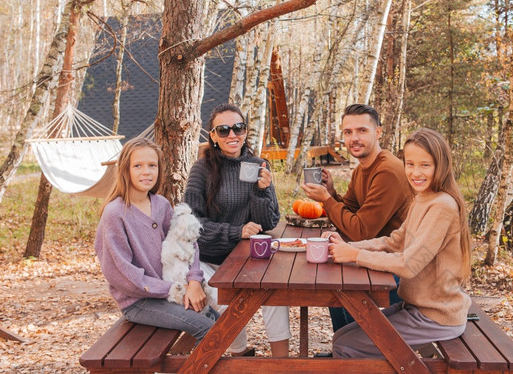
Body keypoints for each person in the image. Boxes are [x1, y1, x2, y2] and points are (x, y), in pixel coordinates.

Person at [325, 128, 472, 358]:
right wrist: (350, 247)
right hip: (416, 307)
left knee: (346, 346)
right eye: (410, 164)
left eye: (425, 165)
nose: (415, 172)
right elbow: (394, 241)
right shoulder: (423, 198)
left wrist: (355, 256)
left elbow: (408, 264)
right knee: (341, 337)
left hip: (436, 316)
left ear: (440, 165)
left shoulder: (442, 206)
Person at [184, 103, 290, 357]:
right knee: (226, 304)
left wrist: (262, 191)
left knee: (275, 293)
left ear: (245, 131)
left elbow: (269, 222)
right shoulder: (202, 170)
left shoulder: (258, 164)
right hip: (212, 260)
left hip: (247, 259)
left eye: (238, 128)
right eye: (223, 130)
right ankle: (240, 357)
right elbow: (190, 224)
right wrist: (235, 232)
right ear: (213, 136)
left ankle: (282, 363)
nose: (232, 135)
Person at [301, 103, 413, 331]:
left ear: (378, 132)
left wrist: (326, 200)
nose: (354, 138)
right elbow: (349, 211)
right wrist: (331, 193)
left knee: (339, 284)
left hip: (402, 272)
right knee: (334, 278)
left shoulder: (388, 171)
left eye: (362, 131)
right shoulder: (363, 167)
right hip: (375, 258)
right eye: (348, 132)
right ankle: (345, 351)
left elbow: (360, 231)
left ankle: (354, 355)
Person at [94, 138, 217, 346]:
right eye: (138, 166)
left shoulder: (161, 204)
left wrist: (195, 280)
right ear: (125, 169)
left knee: (218, 321)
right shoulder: (115, 214)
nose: (146, 172)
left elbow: (187, 242)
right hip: (139, 301)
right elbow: (124, 275)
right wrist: (177, 289)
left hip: (169, 291)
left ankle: (182, 363)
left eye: (152, 165)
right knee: (207, 329)